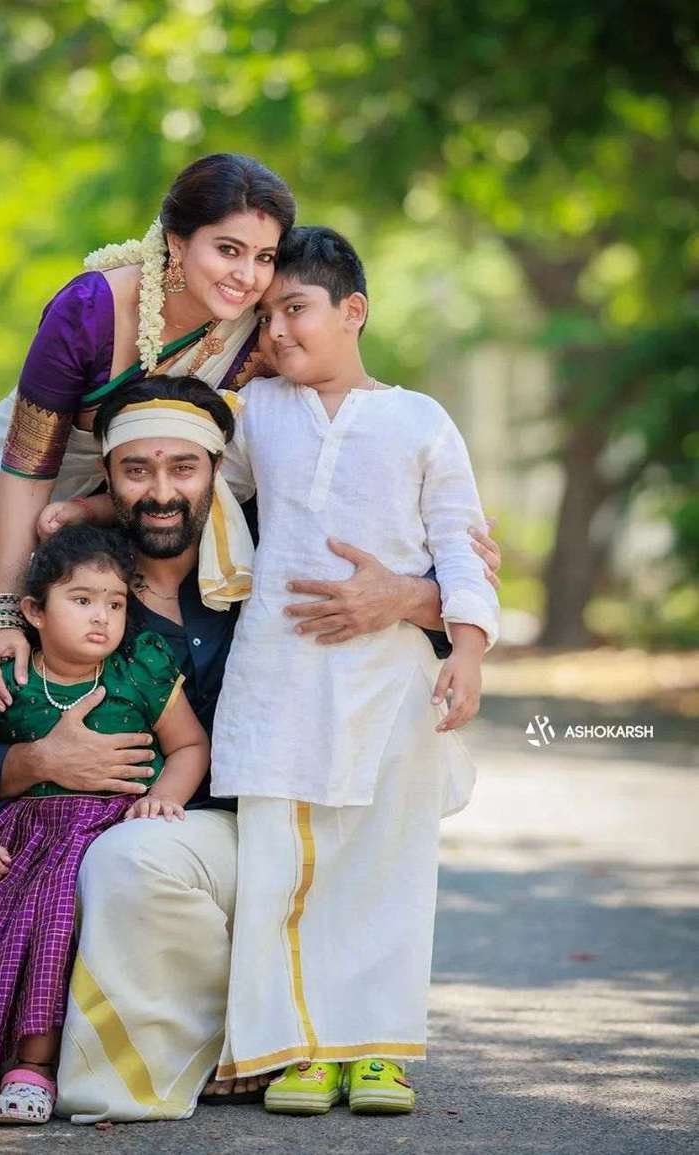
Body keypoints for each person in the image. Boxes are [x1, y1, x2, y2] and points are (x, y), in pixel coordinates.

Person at [0, 375, 501, 1122]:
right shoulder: (80, 590)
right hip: (176, 839)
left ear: (218, 472)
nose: (162, 492)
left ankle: (287, 1043)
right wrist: (32, 762)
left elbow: (434, 588)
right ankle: (200, 1058)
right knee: (128, 859)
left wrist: (411, 594)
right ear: (110, 478)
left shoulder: (277, 549)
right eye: (136, 471)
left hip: (284, 824)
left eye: (183, 468)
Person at [0, 152, 295, 903]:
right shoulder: (92, 308)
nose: (248, 275)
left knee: (97, 650)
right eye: (228, 249)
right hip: (25, 480)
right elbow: (28, 466)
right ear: (176, 241)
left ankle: (72, 893)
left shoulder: (257, 325)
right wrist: (3, 612)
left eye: (264, 256)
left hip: (140, 482)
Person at [208, 226, 499, 1116]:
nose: (277, 330)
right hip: (279, 676)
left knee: (386, 863)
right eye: (266, 316)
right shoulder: (256, 412)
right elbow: (191, 479)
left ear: (354, 310)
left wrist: (468, 651)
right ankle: (297, 1048)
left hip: (390, 682)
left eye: (294, 308)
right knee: (285, 864)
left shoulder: (421, 421)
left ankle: (376, 1049)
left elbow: (461, 540)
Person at [0, 525, 208, 1125]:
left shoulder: (141, 671)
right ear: (34, 611)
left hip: (103, 832)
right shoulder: (8, 679)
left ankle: (33, 1069)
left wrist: (161, 800)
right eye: (82, 600)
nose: (101, 617)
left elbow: (190, 747)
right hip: (20, 835)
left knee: (53, 917)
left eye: (115, 604)